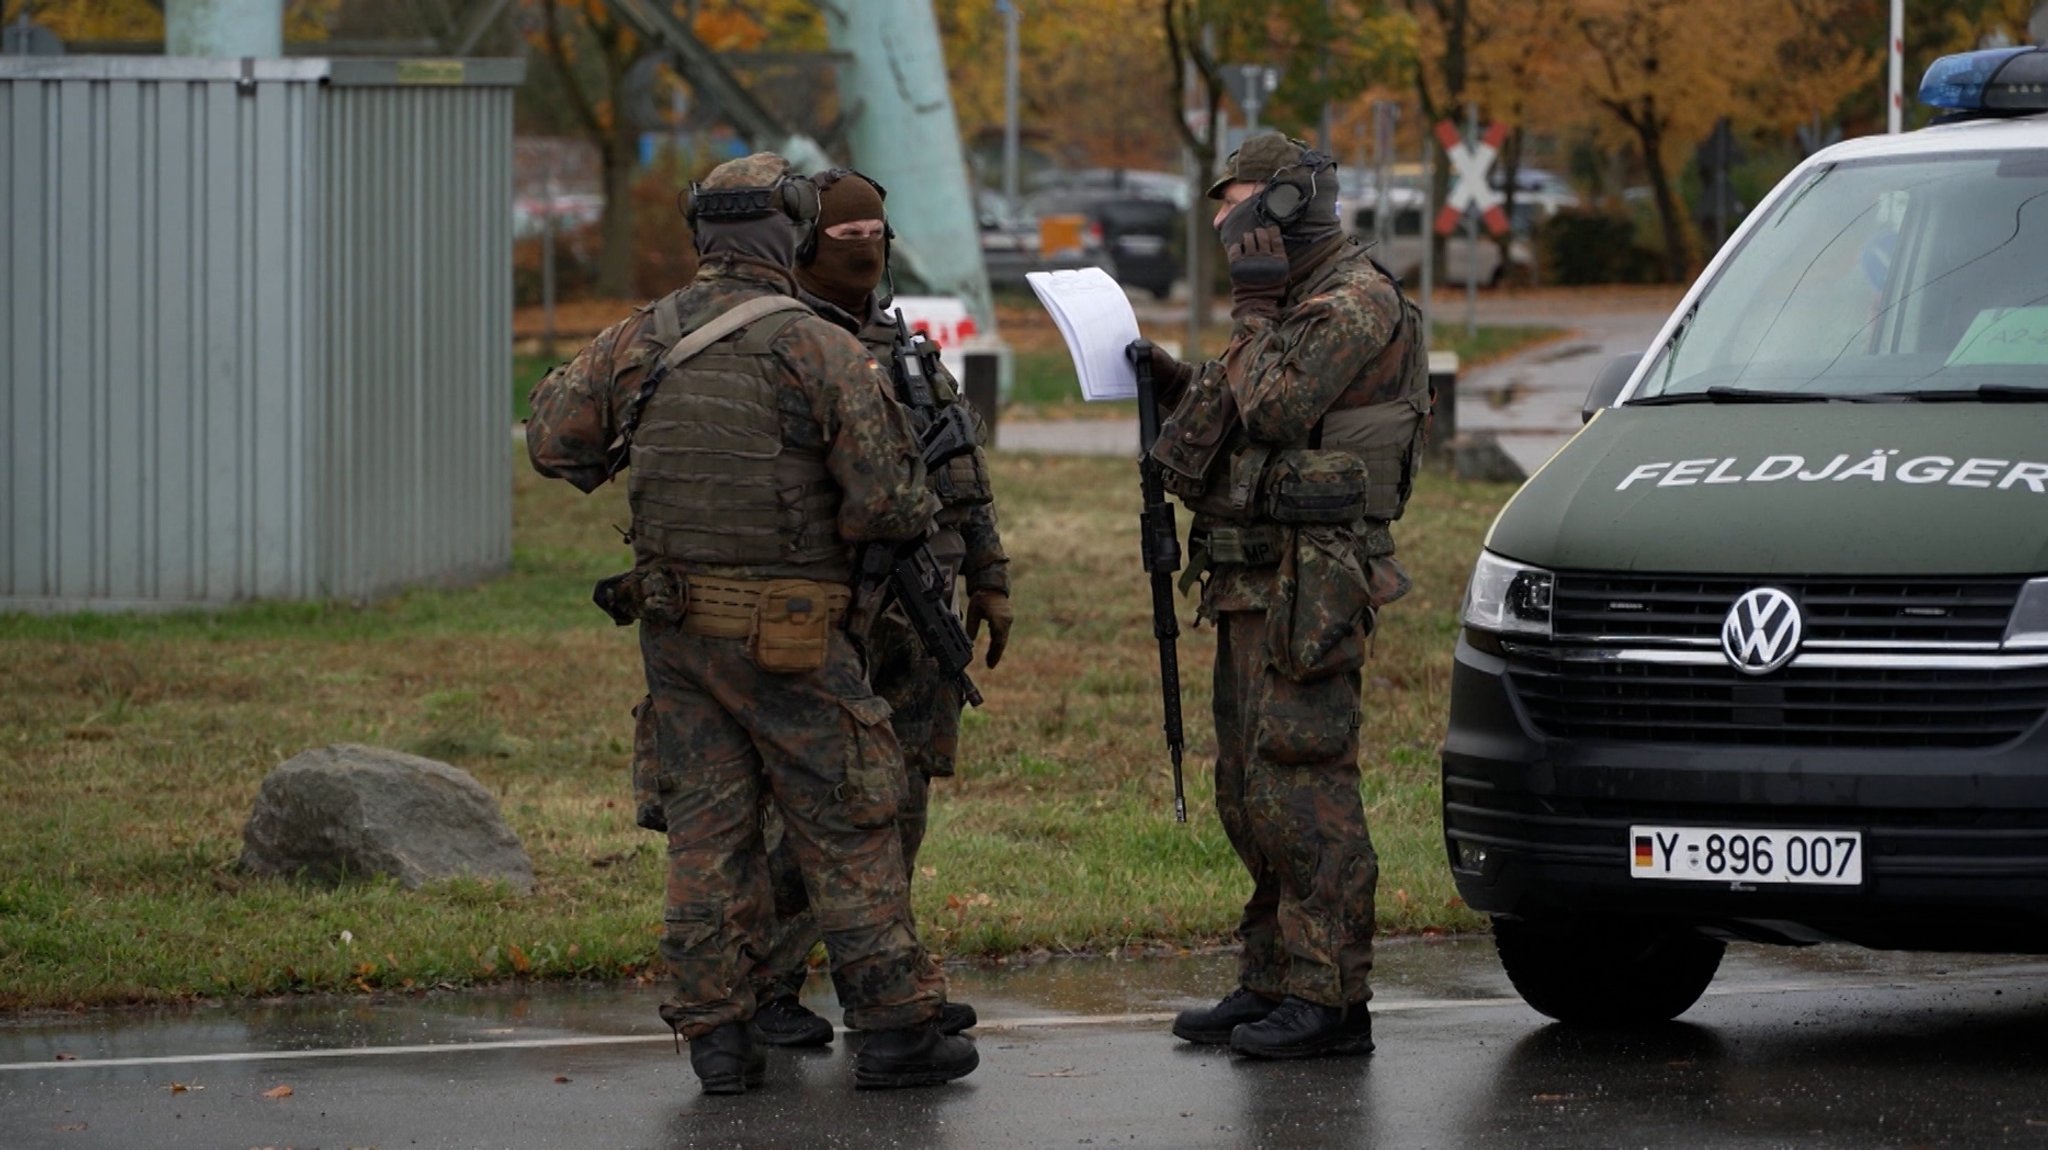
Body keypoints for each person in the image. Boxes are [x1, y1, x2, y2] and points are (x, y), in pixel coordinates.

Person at [525, 152, 978, 1094]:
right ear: (797, 230)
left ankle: (717, 1039)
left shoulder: (639, 337)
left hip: (678, 637)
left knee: (706, 836)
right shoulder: (818, 348)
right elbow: (894, 504)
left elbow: (552, 442)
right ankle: (894, 1028)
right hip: (796, 635)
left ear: (702, 234)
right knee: (851, 820)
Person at [1134, 130, 1428, 1060]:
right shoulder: (1289, 301)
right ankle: (1272, 976)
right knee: (1248, 788)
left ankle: (1332, 996)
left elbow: (1275, 408)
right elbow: (1235, 414)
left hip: (1315, 580)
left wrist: (1251, 312)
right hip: (1254, 574)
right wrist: (1173, 378)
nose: (1220, 217)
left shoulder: (1353, 298)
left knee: (1303, 785)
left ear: (1283, 205)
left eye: (1234, 199)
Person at [746, 166, 1012, 1048]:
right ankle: (767, 987)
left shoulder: (905, 350)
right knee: (815, 810)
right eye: (846, 238)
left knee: (902, 803)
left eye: (876, 240)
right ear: (804, 245)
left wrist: (989, 573)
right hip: (834, 611)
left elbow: (960, 471)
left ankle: (888, 978)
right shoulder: (784, 347)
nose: (864, 253)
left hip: (922, 612)